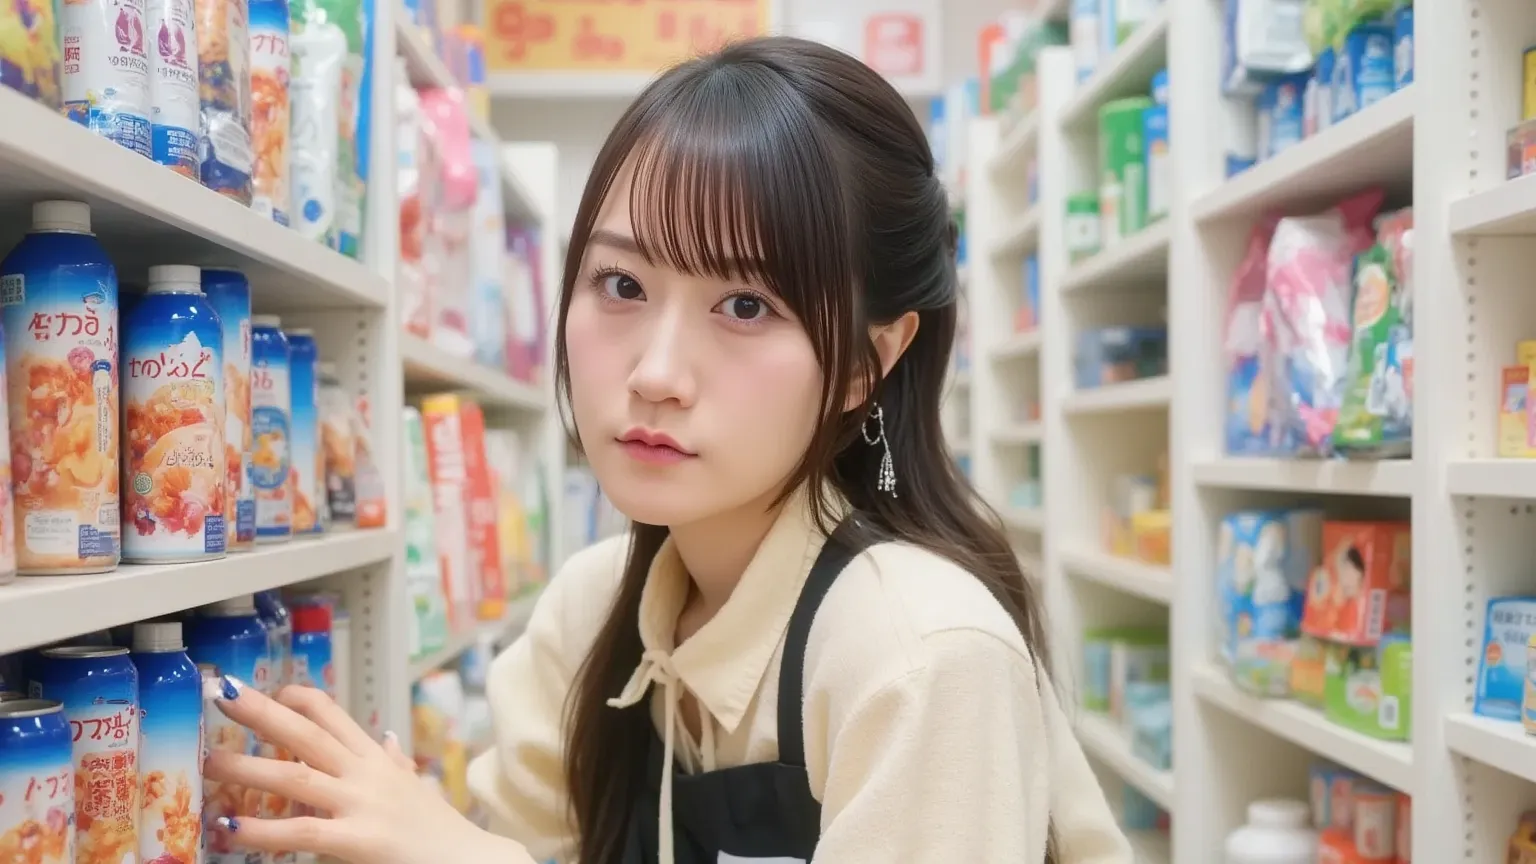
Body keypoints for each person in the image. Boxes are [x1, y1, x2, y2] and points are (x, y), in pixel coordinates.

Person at [201, 35, 1133, 864]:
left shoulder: (922, 656)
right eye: (620, 283)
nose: (654, 372)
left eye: (745, 306)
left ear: (865, 363)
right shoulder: (589, 613)